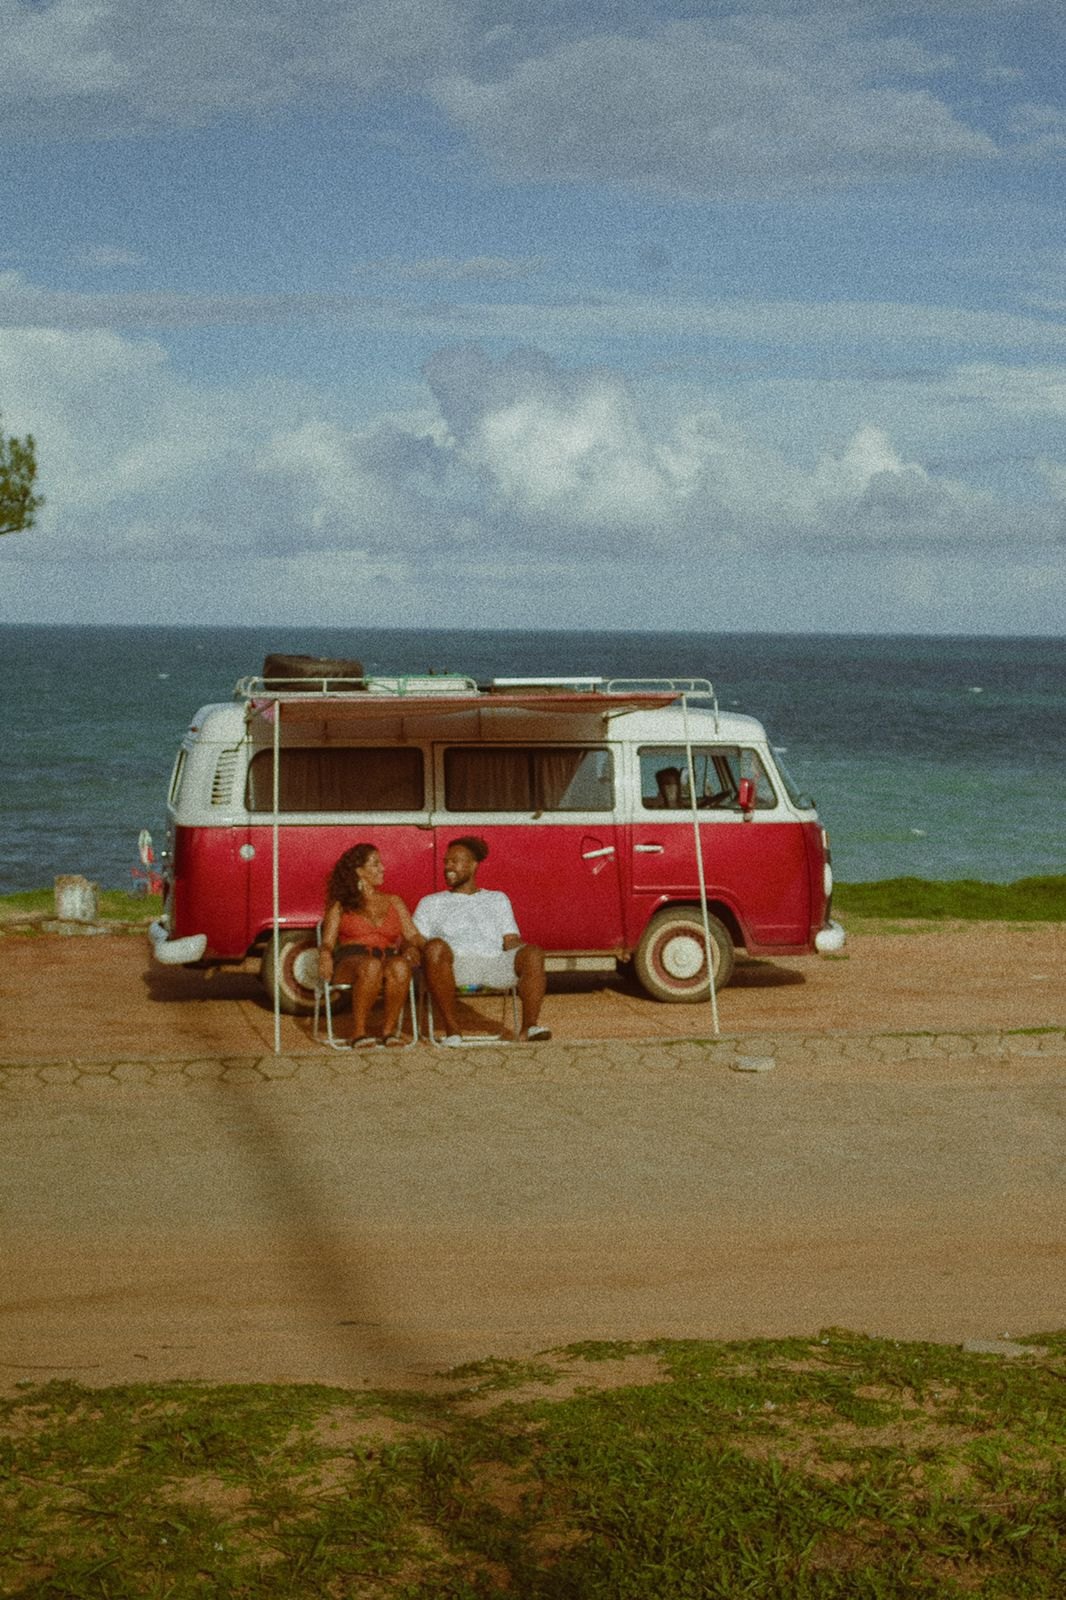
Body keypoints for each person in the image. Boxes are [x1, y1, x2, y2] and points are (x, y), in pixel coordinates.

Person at [413, 837, 551, 1044]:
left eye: (455, 861)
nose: (448, 867)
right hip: (451, 967)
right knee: (434, 947)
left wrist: (527, 951)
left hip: (494, 964)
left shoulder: (497, 899)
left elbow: (510, 939)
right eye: (446, 862)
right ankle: (453, 1030)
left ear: (473, 865)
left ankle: (529, 1027)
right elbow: (416, 939)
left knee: (533, 952)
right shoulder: (431, 902)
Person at [318, 843, 422, 1047]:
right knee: (371, 965)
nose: (383, 868)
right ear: (359, 871)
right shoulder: (341, 904)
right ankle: (358, 1032)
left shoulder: (394, 901)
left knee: (400, 966)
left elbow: (412, 935)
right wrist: (324, 956)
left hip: (388, 957)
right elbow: (328, 941)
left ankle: (388, 1031)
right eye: (375, 864)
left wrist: (416, 947)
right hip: (351, 961)